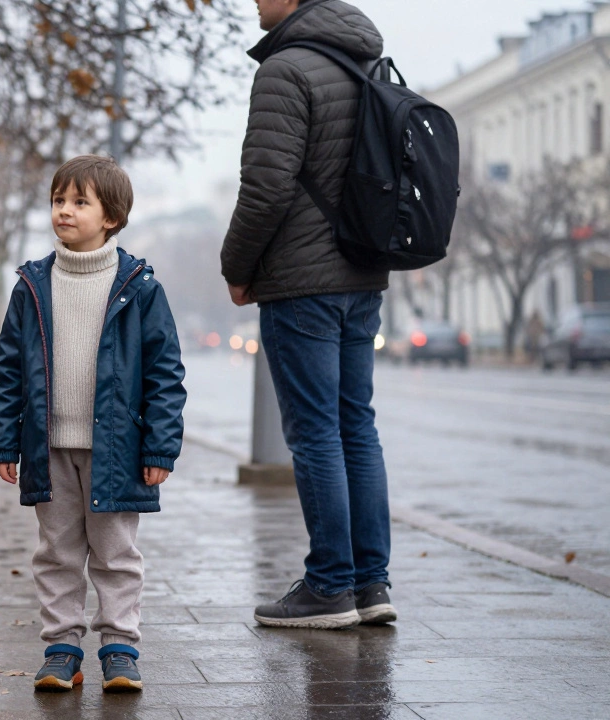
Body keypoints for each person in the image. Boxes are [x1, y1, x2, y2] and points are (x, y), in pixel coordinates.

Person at [220, 0, 395, 628]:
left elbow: (267, 184)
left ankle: (328, 587)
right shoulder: (368, 62)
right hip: (362, 272)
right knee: (356, 426)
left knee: (317, 431)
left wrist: (235, 265)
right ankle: (371, 584)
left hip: (301, 282)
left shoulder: (286, 68)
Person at [0, 156, 186, 694]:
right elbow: (8, 370)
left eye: (79, 202)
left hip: (117, 450)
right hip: (49, 448)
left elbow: (165, 373)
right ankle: (62, 650)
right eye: (58, 200)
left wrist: (160, 448)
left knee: (116, 553)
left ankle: (120, 650)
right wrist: (5, 439)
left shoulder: (139, 288)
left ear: (112, 217)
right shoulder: (32, 286)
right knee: (57, 552)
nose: (64, 211)